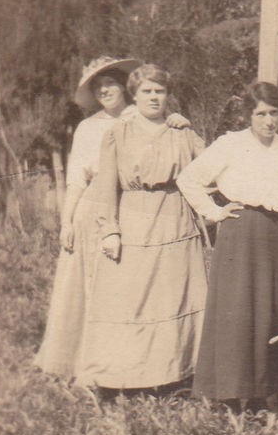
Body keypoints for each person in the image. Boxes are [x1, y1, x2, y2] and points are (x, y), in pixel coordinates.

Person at [177, 81, 278, 411]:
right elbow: (188, 179)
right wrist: (215, 212)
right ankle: (230, 394)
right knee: (236, 311)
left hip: (277, 233)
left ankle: (264, 393)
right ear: (249, 115)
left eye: (274, 113)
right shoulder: (230, 144)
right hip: (239, 231)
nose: (268, 121)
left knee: (270, 311)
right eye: (260, 114)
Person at [35, 56, 190, 380]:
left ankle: (133, 364)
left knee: (131, 290)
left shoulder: (151, 117)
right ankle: (84, 365)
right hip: (94, 207)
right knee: (89, 286)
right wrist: (67, 221)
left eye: (109, 84)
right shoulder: (89, 127)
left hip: (137, 209)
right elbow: (77, 178)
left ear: (125, 87)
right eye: (97, 87)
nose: (104, 91)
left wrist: (175, 120)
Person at [75, 63, 207, 392]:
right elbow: (106, 186)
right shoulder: (118, 132)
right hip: (134, 219)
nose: (153, 97)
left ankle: (176, 375)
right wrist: (110, 230)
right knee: (130, 299)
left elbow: (212, 169)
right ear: (134, 95)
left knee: (174, 297)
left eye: (159, 91)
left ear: (168, 96)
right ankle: (122, 378)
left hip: (175, 220)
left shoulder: (183, 132)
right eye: (146, 91)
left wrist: (190, 130)